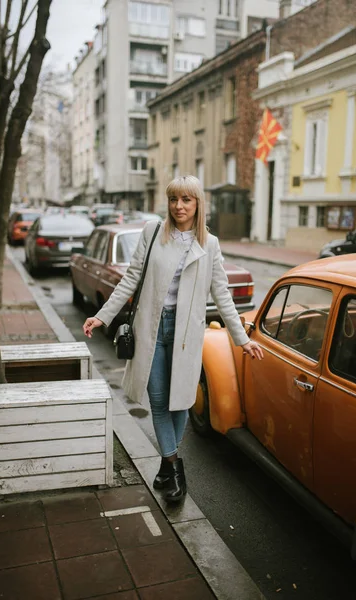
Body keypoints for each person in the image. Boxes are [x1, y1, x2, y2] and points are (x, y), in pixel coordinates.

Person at [83, 175, 263, 503]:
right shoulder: (153, 233)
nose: (178, 206)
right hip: (151, 328)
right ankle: (175, 466)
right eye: (173, 199)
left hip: (185, 334)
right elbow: (132, 278)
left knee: (180, 400)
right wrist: (103, 315)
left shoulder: (209, 244)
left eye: (186, 200)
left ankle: (167, 469)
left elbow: (221, 293)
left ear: (198, 204)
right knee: (157, 399)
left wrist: (241, 338)